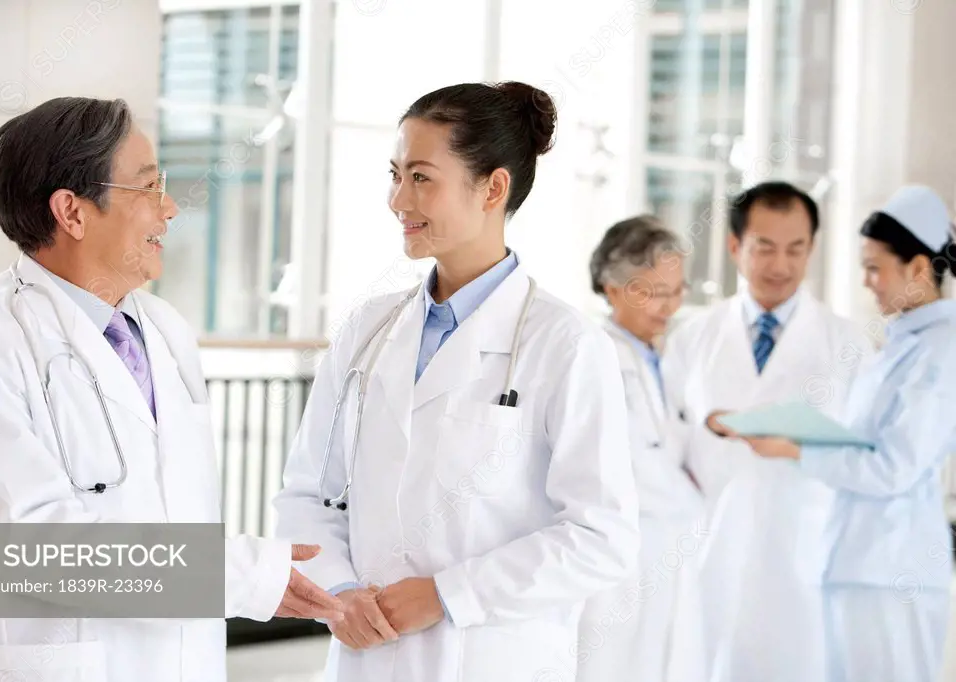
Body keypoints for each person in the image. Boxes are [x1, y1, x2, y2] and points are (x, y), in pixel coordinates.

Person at [0, 97, 343, 682]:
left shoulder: (164, 329)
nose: (169, 209)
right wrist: (240, 576)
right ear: (72, 212)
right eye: (148, 188)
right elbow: (35, 550)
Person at [273, 81, 640, 682]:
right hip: (365, 654)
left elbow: (601, 537)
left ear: (493, 188)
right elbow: (308, 493)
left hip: (492, 657)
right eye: (395, 174)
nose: (398, 199)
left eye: (421, 177)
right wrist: (338, 587)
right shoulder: (369, 328)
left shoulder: (565, 344)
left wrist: (448, 593)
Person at [742, 185, 956, 682]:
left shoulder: (942, 351)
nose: (867, 282)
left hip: (892, 574)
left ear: (919, 269)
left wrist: (796, 449)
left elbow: (893, 467)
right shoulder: (903, 343)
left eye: (876, 267)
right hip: (858, 565)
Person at [660, 181, 871, 682]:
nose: (781, 265)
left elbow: (863, 455)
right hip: (707, 549)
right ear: (735, 246)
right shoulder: (693, 338)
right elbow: (663, 444)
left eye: (796, 249)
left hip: (807, 547)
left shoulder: (849, 344)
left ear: (812, 249)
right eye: (765, 248)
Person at [577, 216, 706, 682]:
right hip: (622, 559)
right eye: (651, 292)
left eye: (676, 291)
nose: (668, 307)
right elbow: (632, 464)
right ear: (612, 289)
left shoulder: (664, 356)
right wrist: (695, 502)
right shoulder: (595, 356)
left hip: (667, 550)